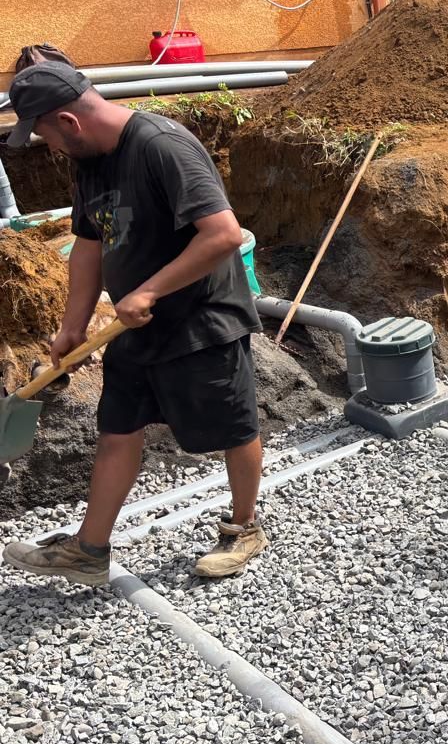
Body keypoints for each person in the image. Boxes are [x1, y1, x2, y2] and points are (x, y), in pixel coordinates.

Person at [2, 62, 268, 585]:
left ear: (69, 121)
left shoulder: (162, 146)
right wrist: (72, 324)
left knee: (233, 428)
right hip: (132, 325)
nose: (48, 147)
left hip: (201, 321)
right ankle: (89, 549)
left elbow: (222, 234)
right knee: (117, 430)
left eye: (46, 134)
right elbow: (89, 245)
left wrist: (148, 290)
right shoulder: (91, 162)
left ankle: (244, 528)